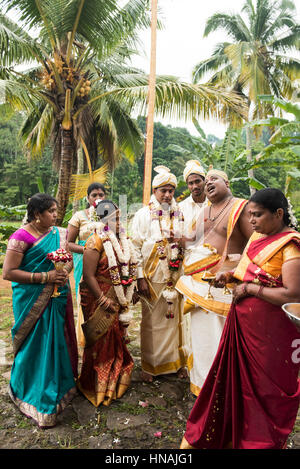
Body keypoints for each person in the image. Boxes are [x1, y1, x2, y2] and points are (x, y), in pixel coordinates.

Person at [180, 188, 300, 449]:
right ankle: (235, 431)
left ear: (278, 214)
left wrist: (247, 289)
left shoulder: (290, 245)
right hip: (244, 324)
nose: (253, 221)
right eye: (250, 215)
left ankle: (259, 440)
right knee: (239, 383)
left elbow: (293, 293)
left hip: (271, 333)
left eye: (257, 215)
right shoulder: (259, 237)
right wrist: (233, 275)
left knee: (264, 388)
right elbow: (253, 268)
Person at [2, 193, 78, 428]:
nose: (56, 215)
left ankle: (59, 385)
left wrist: (64, 270)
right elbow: (9, 273)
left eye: (56, 211)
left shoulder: (60, 233)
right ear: (37, 214)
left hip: (57, 296)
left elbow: (67, 261)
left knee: (56, 342)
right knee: (36, 343)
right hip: (31, 300)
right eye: (51, 211)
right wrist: (46, 276)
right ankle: (30, 390)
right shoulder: (20, 237)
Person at [176, 169, 253, 396]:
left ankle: (223, 386)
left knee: (219, 335)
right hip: (198, 281)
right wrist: (175, 239)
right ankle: (201, 382)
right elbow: (192, 241)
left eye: (213, 179)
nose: (208, 183)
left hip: (223, 284)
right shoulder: (204, 212)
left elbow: (253, 246)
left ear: (227, 182)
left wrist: (236, 273)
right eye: (206, 180)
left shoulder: (242, 207)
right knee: (200, 335)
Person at [131, 165, 187, 383]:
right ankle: (151, 366)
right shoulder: (143, 214)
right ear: (154, 191)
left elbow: (188, 242)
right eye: (163, 190)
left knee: (176, 321)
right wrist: (139, 277)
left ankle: (177, 364)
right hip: (151, 277)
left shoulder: (181, 213)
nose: (167, 195)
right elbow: (135, 246)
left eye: (171, 190)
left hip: (176, 277)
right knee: (152, 322)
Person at [77, 200, 135, 407]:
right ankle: (96, 385)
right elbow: (88, 275)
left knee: (117, 336)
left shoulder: (122, 240)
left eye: (120, 217)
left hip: (118, 297)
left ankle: (115, 379)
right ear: (102, 219)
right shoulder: (95, 241)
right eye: (113, 218)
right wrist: (102, 300)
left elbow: (128, 266)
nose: (118, 221)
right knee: (101, 340)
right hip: (99, 297)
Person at [67, 183, 106, 347]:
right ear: (88, 198)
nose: (98, 198)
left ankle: (105, 337)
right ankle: (85, 339)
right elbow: (68, 243)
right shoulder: (79, 216)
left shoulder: (109, 213)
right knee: (85, 295)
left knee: (104, 294)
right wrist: (89, 250)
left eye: (101, 195)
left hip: (105, 262)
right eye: (94, 195)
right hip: (84, 260)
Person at [178, 160, 208, 375]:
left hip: (212, 265)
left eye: (198, 181)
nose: (194, 186)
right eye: (190, 183)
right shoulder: (181, 208)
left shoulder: (217, 204)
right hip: (188, 265)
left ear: (205, 181)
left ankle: (207, 358)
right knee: (188, 313)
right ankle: (190, 359)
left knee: (207, 314)